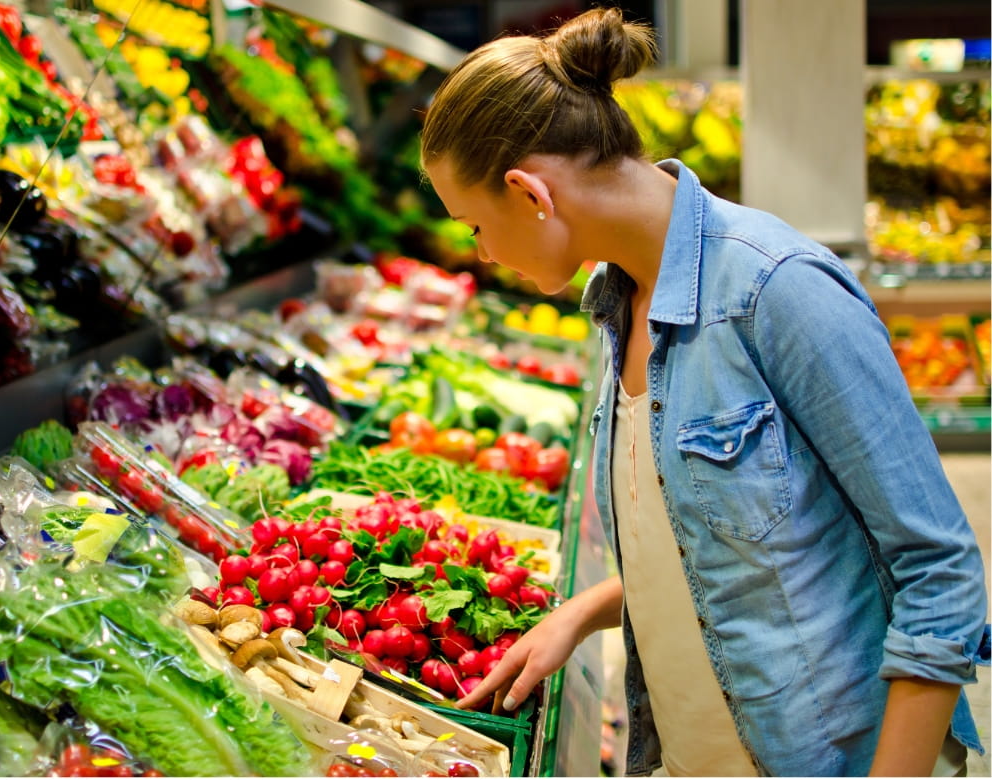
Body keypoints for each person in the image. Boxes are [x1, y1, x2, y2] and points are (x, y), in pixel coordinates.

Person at [419, 6, 989, 777]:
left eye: (473, 227)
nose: (481, 254)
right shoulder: (619, 302)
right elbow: (721, 534)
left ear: (530, 194)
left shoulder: (777, 292)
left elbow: (939, 571)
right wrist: (584, 614)